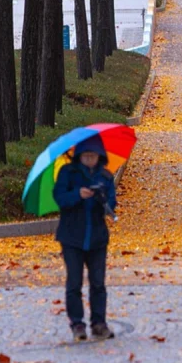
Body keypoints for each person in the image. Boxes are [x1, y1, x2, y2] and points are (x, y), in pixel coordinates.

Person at [52, 139, 117, 341]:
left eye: (93, 156)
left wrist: (102, 198)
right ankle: (77, 323)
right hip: (72, 237)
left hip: (97, 238)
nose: (90, 160)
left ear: (100, 157)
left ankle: (99, 323)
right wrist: (77, 195)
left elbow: (112, 203)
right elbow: (60, 198)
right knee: (74, 282)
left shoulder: (105, 176)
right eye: (86, 156)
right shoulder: (68, 173)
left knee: (98, 283)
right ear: (79, 156)